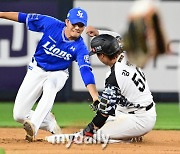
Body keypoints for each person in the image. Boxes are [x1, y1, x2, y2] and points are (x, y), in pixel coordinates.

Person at [0, 8, 99, 142]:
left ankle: (33, 127)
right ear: (67, 22)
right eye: (74, 23)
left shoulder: (80, 47)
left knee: (50, 86)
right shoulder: (51, 24)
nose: (77, 27)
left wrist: (94, 96)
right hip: (36, 70)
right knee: (19, 115)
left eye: (81, 25)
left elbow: (86, 71)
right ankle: (49, 122)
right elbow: (23, 17)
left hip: (58, 73)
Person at [46, 28, 157, 144]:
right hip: (131, 109)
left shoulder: (114, 78)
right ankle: (128, 133)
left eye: (97, 54)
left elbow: (103, 115)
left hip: (140, 119)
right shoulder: (126, 53)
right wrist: (98, 33)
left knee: (97, 135)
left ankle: (125, 139)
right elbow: (117, 37)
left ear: (102, 56)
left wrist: (86, 132)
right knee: (108, 114)